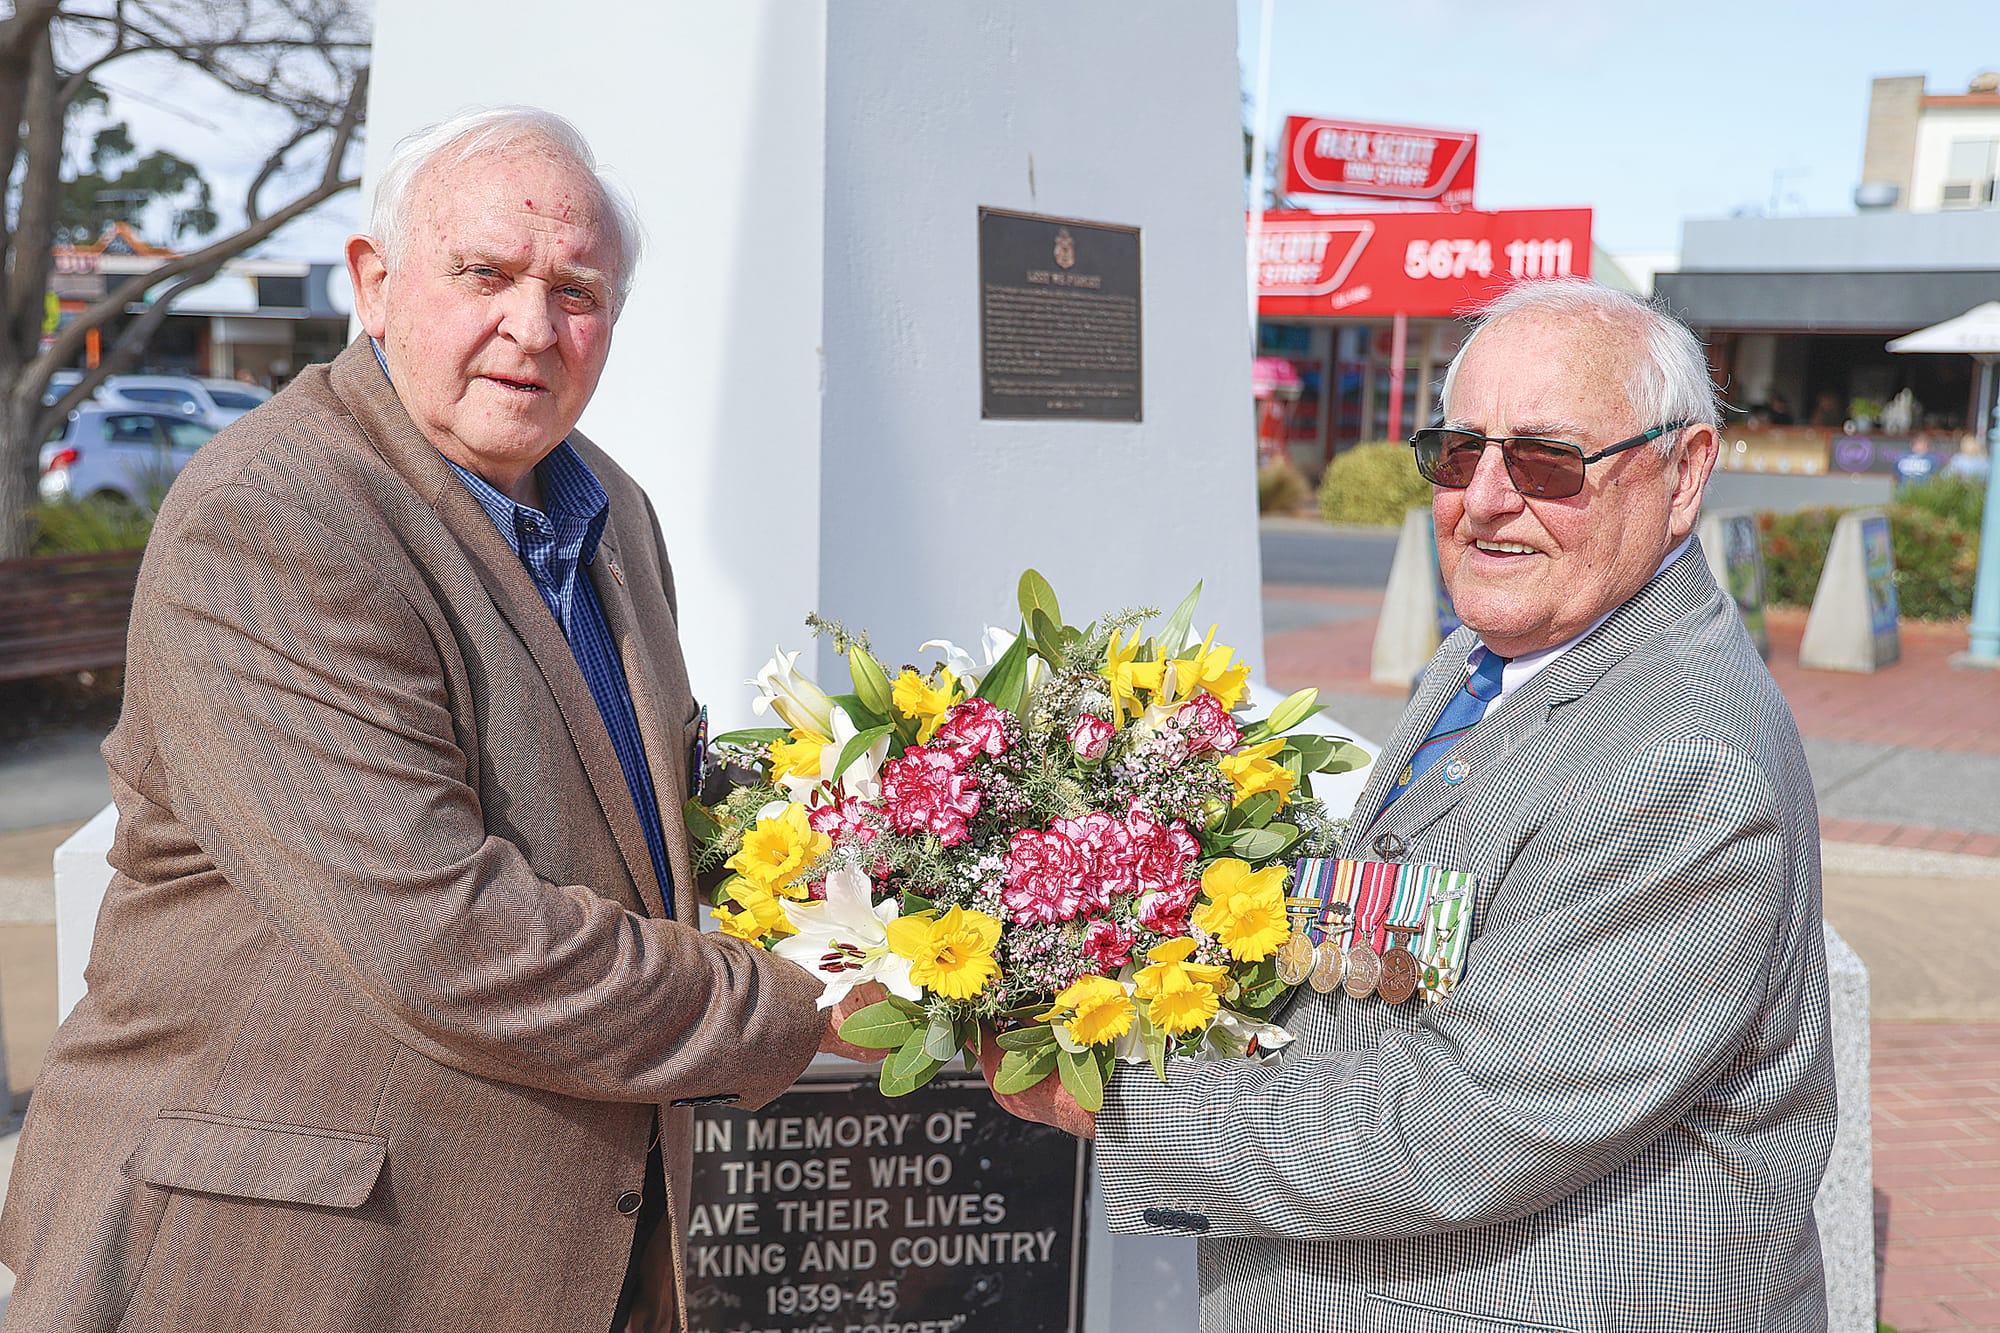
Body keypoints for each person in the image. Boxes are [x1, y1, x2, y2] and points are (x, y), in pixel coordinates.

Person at [0, 108, 851, 1333]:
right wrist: (806, 1004)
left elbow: (640, 820)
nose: (530, 326)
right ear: (375, 282)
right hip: (279, 1265)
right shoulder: (278, 516)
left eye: (576, 291)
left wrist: (921, 881)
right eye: (485, 274)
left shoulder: (607, 507)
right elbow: (442, 938)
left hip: (554, 1252)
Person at [990, 281, 1837, 1331]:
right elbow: (1386, 945)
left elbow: (1461, 1125)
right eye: (1456, 450)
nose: (1483, 497)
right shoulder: (1487, 658)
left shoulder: (1682, 762)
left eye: (1544, 459)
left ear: (1681, 472)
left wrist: (1104, 1094)